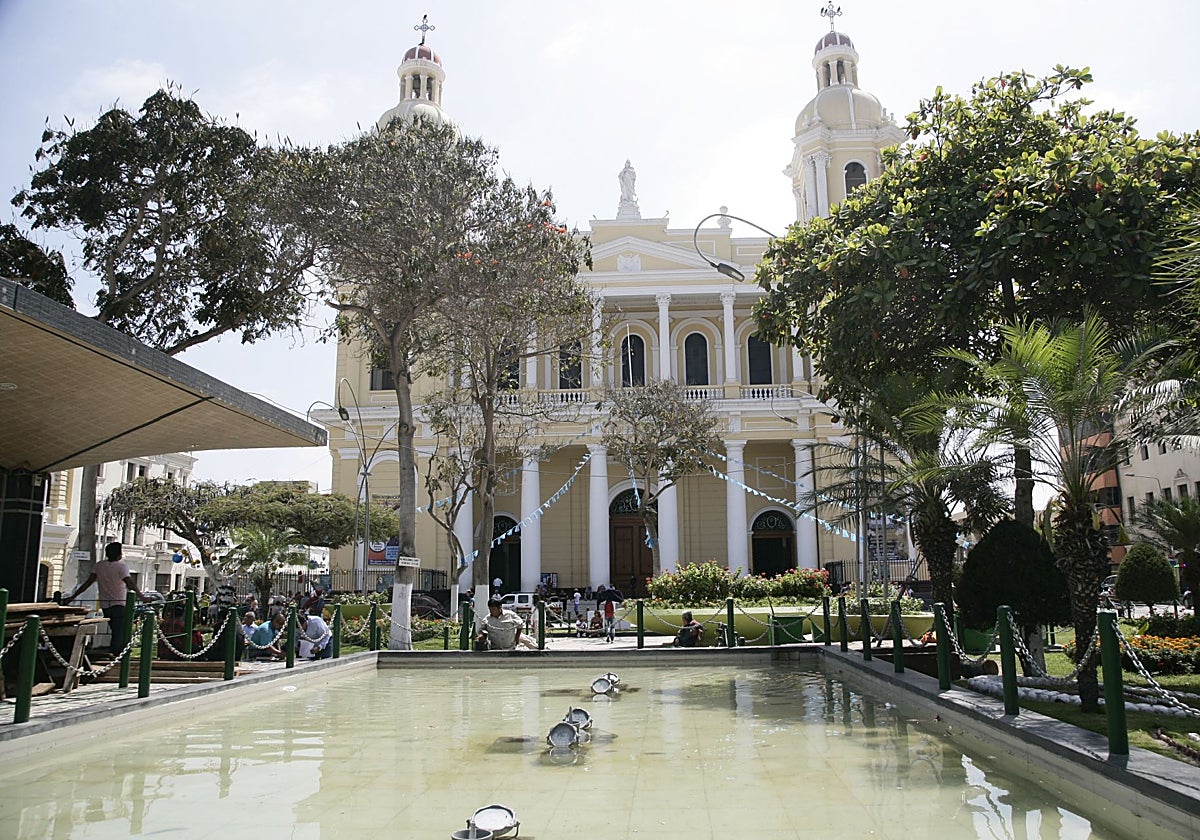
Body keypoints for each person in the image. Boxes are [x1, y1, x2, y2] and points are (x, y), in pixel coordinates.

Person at [62, 541, 151, 655]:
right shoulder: (121, 567)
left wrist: (73, 596)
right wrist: (142, 597)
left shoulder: (99, 566)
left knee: (114, 628)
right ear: (119, 554)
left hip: (105, 603)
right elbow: (130, 583)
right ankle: (117, 652)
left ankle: (116, 650)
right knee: (120, 629)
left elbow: (87, 583)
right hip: (119, 603)